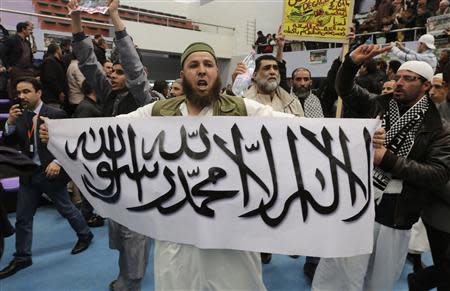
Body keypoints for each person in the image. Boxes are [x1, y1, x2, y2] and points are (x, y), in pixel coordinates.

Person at [312, 44, 450, 291]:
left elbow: (437, 174)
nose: (399, 83)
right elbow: (345, 89)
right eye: (398, 77)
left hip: (397, 213)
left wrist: (387, 159)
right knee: (339, 275)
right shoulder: (379, 104)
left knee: (379, 282)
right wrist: (351, 63)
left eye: (408, 79)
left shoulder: (440, 128)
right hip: (359, 202)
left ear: (426, 86)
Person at [68, 0, 155, 289]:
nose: (114, 76)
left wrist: (115, 18)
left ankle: (129, 285)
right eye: (113, 72)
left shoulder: (145, 98)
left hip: (140, 186)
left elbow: (134, 68)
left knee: (134, 244)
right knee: (120, 240)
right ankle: (123, 278)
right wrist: (77, 19)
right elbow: (87, 62)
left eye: (120, 72)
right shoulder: (108, 94)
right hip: (114, 184)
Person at [0, 77, 93, 279]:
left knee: (67, 209)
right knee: (23, 218)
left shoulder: (56, 114)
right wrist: (9, 123)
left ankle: (85, 235)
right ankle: (22, 257)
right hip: (28, 174)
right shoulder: (20, 115)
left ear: (39, 93)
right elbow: (9, 142)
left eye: (26, 91)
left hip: (50, 173)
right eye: (19, 92)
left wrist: (58, 162)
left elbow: (71, 144)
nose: (21, 96)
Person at [408, 65, 450, 291]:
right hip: (441, 212)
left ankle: (420, 281)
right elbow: (433, 171)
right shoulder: (433, 121)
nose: (433, 92)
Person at [0, 22, 35, 99]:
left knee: (29, 90)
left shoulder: (28, 42)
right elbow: (2, 53)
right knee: (17, 92)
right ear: (23, 30)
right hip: (16, 70)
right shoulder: (11, 39)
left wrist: (31, 68)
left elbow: (30, 56)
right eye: (29, 29)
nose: (31, 32)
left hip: (28, 71)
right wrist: (8, 67)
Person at [40, 43, 68, 109]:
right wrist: (59, 92)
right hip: (51, 98)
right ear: (57, 50)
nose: (62, 52)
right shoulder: (49, 61)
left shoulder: (56, 61)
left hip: (56, 98)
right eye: (60, 50)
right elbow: (50, 79)